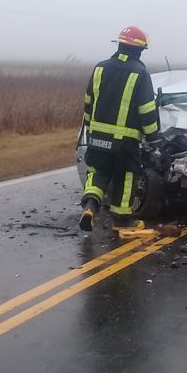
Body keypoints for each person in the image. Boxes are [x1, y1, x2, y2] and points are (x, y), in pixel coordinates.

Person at [79, 26, 161, 231]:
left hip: (97, 136)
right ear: (139, 50)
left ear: (120, 45)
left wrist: (90, 127)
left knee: (97, 171)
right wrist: (154, 138)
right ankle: (122, 220)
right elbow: (147, 110)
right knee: (126, 176)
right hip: (125, 141)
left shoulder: (100, 68)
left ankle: (90, 206)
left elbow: (88, 101)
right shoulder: (140, 73)